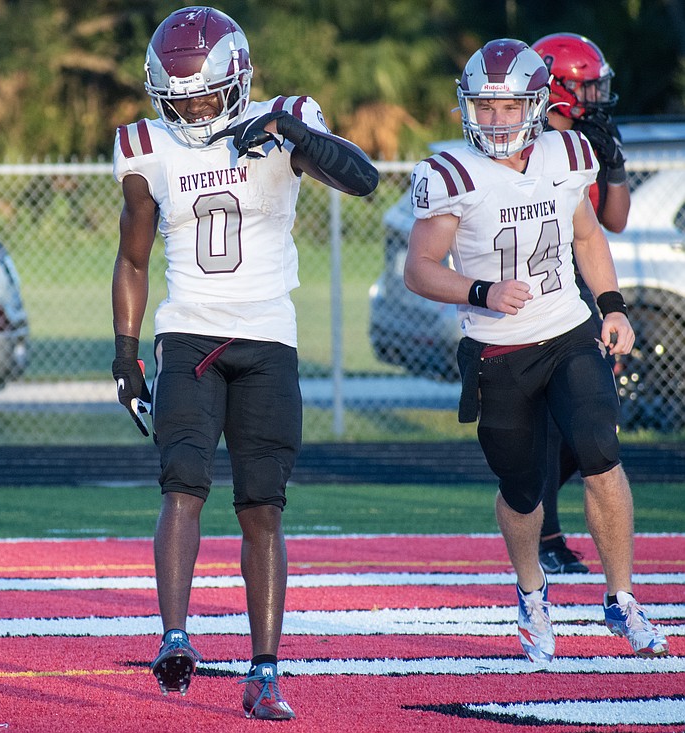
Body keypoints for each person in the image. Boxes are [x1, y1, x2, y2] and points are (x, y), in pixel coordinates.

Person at [110, 5, 378, 720]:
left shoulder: (285, 116)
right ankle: (174, 635)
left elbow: (364, 179)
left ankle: (265, 670)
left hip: (267, 338)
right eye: (181, 96)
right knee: (182, 484)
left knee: (263, 507)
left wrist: (295, 134)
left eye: (204, 93)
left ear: (236, 79)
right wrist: (125, 355)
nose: (194, 109)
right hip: (188, 333)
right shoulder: (146, 145)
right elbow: (133, 256)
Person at [402, 38, 668, 665]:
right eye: (484, 107)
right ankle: (531, 593)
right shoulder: (451, 173)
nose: (494, 120)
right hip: (497, 350)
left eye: (507, 106)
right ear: (468, 107)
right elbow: (419, 268)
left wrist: (613, 307)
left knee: (601, 451)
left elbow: (587, 234)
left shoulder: (570, 151)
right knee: (523, 487)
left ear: (534, 104)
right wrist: (481, 290)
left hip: (568, 329)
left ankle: (621, 597)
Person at [530, 32, 631, 575]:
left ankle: (543, 525)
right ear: (556, 87)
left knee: (592, 420)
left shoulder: (589, 138)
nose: (596, 97)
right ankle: (543, 534)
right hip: (535, 284)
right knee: (545, 425)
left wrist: (612, 162)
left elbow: (613, 221)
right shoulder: (529, 140)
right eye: (586, 87)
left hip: (583, 288)